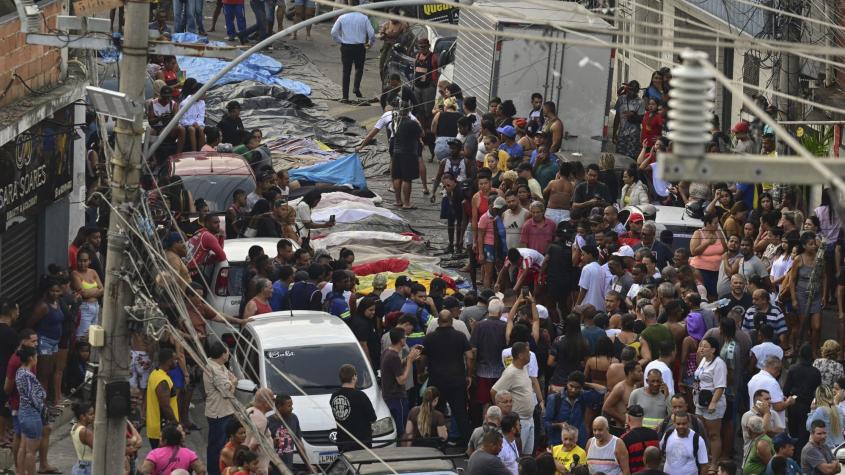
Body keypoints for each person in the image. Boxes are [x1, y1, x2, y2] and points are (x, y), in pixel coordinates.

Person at [423, 311, 473, 446]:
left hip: (436, 380)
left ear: (438, 322)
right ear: (452, 321)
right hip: (457, 380)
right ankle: (466, 444)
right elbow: (469, 357)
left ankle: (434, 442)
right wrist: (469, 375)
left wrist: (422, 372)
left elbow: (422, 358)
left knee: (434, 411)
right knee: (461, 413)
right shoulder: (460, 336)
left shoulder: (429, 338)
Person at [491, 342, 536, 454]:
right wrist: (502, 411)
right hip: (519, 422)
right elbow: (494, 391)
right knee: (517, 455)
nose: (530, 355)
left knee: (528, 455)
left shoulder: (524, 368)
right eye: (528, 353)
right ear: (520, 355)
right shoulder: (510, 373)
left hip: (530, 419)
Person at [381, 327, 422, 438]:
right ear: (401, 340)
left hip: (389, 395)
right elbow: (401, 380)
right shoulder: (393, 356)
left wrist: (409, 357)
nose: (406, 339)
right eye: (405, 337)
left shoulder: (387, 352)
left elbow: (395, 368)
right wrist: (409, 361)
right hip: (396, 397)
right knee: (402, 430)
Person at [330, 0, 375, 102]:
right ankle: (356, 87)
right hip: (359, 47)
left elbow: (333, 32)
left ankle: (345, 96)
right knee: (359, 68)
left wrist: (340, 41)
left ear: (349, 4)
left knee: (346, 71)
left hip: (346, 47)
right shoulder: (364, 18)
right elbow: (372, 34)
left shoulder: (342, 17)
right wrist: (370, 43)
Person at [204, 341, 237, 475]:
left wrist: (231, 382)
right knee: (217, 446)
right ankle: (214, 472)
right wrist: (232, 383)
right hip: (218, 412)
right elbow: (227, 390)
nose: (228, 353)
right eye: (227, 351)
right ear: (222, 354)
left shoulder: (220, 366)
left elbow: (231, 379)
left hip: (225, 410)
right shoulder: (214, 369)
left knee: (222, 444)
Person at [789, 231, 824, 353]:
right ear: (804, 246)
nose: (814, 246)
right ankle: (805, 350)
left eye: (814, 244)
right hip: (801, 295)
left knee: (817, 326)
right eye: (810, 244)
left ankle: (814, 351)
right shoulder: (798, 259)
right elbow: (792, 280)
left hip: (816, 295)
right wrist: (794, 299)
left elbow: (824, 277)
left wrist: (824, 296)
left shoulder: (820, 258)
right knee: (805, 326)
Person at [330, 364, 376, 452]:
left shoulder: (334, 396)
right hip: (361, 443)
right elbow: (373, 417)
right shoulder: (360, 396)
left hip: (343, 442)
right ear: (354, 377)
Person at [391, 102, 424, 209]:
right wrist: (418, 123)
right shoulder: (412, 123)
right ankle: (406, 203)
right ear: (409, 110)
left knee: (397, 177)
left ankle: (398, 201)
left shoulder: (395, 122)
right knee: (406, 178)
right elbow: (422, 134)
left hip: (396, 152)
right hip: (408, 153)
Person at [15, 346, 43, 475]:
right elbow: (33, 396)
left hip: (23, 412)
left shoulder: (19, 372)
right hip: (31, 413)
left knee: (24, 447)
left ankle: (20, 472)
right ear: (31, 358)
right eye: (36, 356)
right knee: (31, 451)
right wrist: (42, 406)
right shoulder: (28, 375)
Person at [140, 424, 206, 474]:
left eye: (160, 436)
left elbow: (144, 470)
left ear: (165, 440)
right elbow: (202, 470)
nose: (159, 439)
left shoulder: (154, 454)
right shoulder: (189, 453)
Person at [146, 348, 179, 448]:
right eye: (174, 359)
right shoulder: (162, 381)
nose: (176, 362)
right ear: (169, 361)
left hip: (155, 427)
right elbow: (165, 406)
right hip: (162, 430)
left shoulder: (155, 374)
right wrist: (176, 424)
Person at [267, 394, 309, 474]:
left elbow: (299, 443)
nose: (292, 408)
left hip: (288, 469)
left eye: (292, 405)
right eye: (289, 406)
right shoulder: (268, 422)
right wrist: (273, 443)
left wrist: (308, 464)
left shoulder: (294, 418)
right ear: (279, 407)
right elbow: (263, 446)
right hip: (273, 470)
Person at [659, 410, 708, 475]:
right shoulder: (668, 435)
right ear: (674, 423)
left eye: (684, 423)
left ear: (688, 423)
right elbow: (660, 452)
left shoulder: (698, 440)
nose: (681, 426)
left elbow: (704, 466)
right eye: (678, 424)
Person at [71, 249, 104, 339]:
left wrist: (90, 292)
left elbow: (102, 289)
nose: (82, 264)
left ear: (89, 261)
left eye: (85, 261)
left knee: (92, 337)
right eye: (80, 261)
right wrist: (96, 290)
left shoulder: (93, 272)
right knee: (82, 337)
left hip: (96, 307)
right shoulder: (75, 274)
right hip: (84, 308)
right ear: (77, 261)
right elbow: (84, 294)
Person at [620, 404, 659, 474]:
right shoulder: (654, 434)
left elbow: (623, 465)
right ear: (642, 417)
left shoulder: (624, 439)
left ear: (628, 418)